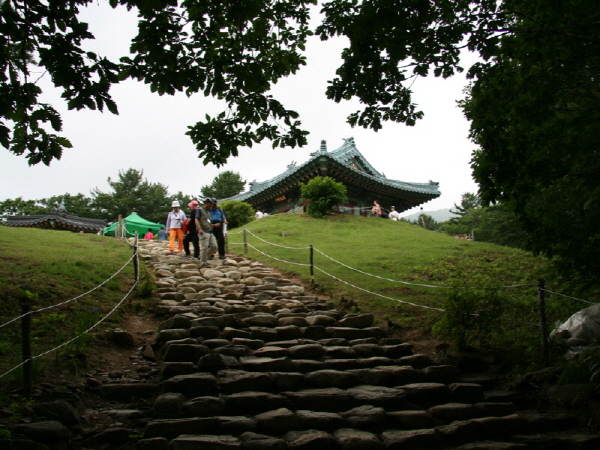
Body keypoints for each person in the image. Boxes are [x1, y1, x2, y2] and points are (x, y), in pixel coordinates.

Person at [199, 198, 218, 267]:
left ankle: (202, 257)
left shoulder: (208, 211)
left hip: (210, 231)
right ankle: (203, 263)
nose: (211, 205)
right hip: (203, 231)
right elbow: (196, 220)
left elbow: (207, 222)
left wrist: (213, 225)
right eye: (210, 204)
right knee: (204, 247)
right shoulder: (200, 210)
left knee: (214, 246)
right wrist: (199, 229)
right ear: (206, 203)